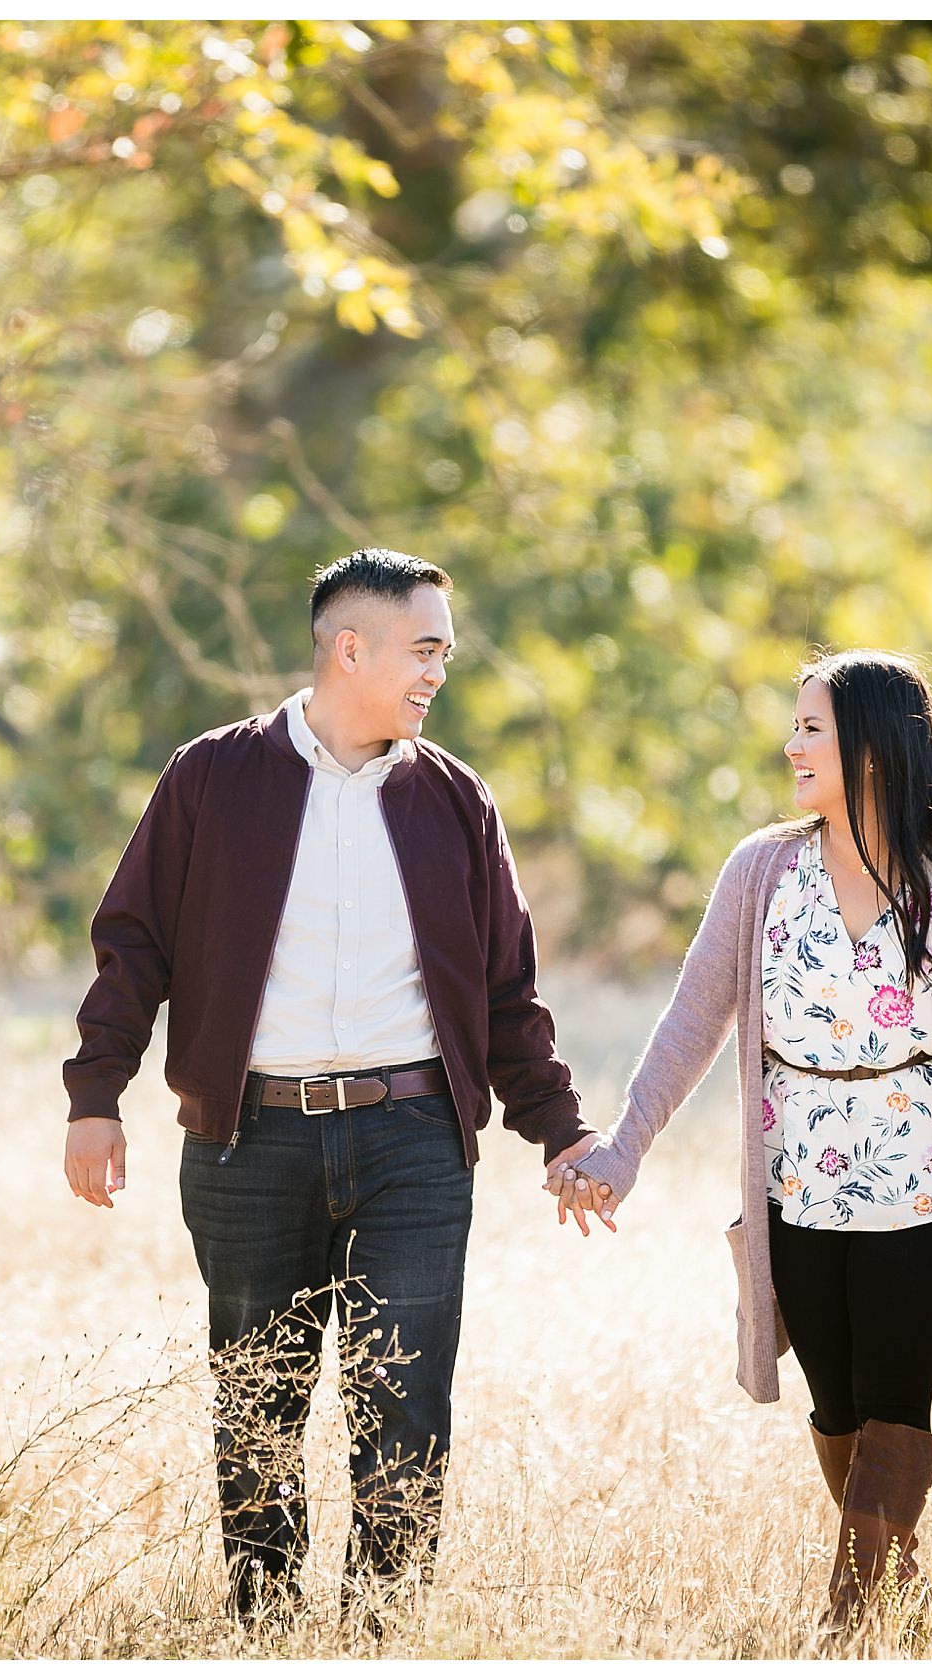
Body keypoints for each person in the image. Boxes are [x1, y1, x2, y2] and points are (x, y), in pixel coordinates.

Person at [62, 548, 601, 1626]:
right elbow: (134, 945)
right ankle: (265, 1633)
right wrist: (94, 1095)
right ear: (348, 649)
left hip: (413, 1138)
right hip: (246, 1142)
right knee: (256, 1404)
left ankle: (383, 1634)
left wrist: (560, 1131)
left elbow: (505, 988)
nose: (437, 672)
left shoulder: (453, 800)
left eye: (444, 651)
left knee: (404, 1404)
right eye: (423, 648)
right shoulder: (211, 777)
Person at [556, 648, 932, 1635]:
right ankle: (899, 1590)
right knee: (837, 1410)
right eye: (794, 725)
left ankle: (845, 1622)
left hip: (920, 1200)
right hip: (795, 1194)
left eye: (811, 727)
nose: (789, 744)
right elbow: (689, 1025)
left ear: (874, 750)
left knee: (894, 1400)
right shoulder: (761, 872)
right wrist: (623, 1148)